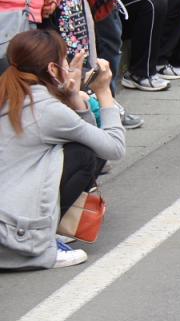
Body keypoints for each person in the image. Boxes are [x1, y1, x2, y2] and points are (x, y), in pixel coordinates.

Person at [0, 30, 125, 270]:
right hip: (12, 237)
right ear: (52, 68)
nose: (69, 66)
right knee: (83, 154)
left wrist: (74, 100)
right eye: (64, 60)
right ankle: (44, 241)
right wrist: (103, 91)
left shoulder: (11, 94)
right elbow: (112, 148)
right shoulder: (47, 109)